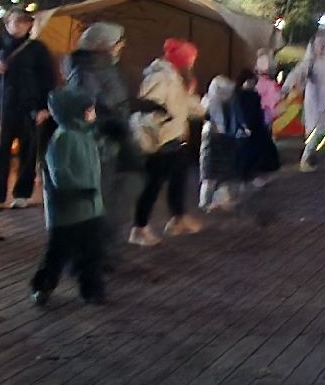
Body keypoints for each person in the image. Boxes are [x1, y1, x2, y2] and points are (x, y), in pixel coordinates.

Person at [62, 22, 139, 261]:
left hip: (113, 140)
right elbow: (88, 107)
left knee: (117, 194)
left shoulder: (105, 66)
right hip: (99, 143)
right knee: (100, 198)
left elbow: (113, 100)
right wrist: (110, 123)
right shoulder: (86, 71)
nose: (121, 47)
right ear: (103, 46)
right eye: (118, 42)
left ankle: (105, 247)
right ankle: (93, 253)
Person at [0, 10, 59, 213]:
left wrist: (44, 107)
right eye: (16, 22)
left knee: (28, 152)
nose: (19, 26)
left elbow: (48, 79)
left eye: (25, 22)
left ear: (30, 26)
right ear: (7, 23)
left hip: (30, 108)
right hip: (1, 106)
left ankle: (22, 194)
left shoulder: (37, 49)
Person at [30, 86, 106, 307]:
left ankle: (91, 289)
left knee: (92, 253)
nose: (93, 114)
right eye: (88, 110)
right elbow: (60, 175)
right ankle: (43, 285)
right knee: (58, 253)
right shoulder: (63, 139)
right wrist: (82, 190)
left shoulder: (86, 135)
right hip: (68, 210)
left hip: (90, 208)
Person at [130, 38, 206, 245]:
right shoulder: (161, 78)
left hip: (175, 137)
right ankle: (140, 228)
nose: (191, 64)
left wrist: (197, 105)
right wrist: (162, 129)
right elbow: (148, 109)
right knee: (153, 185)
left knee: (178, 180)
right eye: (190, 59)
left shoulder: (175, 77)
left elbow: (183, 104)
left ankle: (178, 219)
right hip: (163, 140)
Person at [286, 31, 325, 170]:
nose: (322, 46)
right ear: (313, 45)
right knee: (314, 132)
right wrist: (288, 85)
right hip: (314, 103)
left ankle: (314, 155)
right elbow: (297, 73)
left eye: (324, 43)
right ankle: (306, 160)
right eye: (319, 43)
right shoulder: (309, 62)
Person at [233, 66, 281, 193]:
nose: (251, 84)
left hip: (255, 127)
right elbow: (239, 113)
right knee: (247, 154)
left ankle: (253, 176)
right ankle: (246, 177)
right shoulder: (239, 96)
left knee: (258, 153)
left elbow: (257, 112)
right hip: (247, 129)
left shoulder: (252, 95)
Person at [198, 75, 240, 212]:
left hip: (222, 140)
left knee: (220, 172)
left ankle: (219, 199)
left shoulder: (222, 104)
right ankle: (206, 202)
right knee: (210, 173)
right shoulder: (211, 103)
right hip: (213, 140)